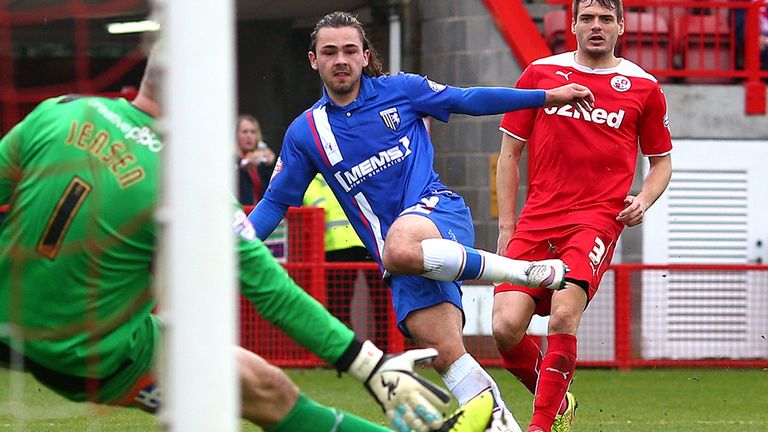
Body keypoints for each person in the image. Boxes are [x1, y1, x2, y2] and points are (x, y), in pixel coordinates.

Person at [0, 48, 495, 432]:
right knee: (270, 399)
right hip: (96, 354)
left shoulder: (58, 113)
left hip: (9, 316)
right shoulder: (187, 184)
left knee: (259, 377)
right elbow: (270, 291)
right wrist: (368, 365)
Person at [247, 11, 595, 432]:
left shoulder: (401, 90)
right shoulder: (306, 133)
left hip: (438, 214)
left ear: (364, 56)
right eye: (329, 51)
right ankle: (512, 425)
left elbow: (466, 99)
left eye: (349, 50)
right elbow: (274, 203)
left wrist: (546, 98)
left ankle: (526, 273)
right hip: (401, 263)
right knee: (448, 355)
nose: (340, 59)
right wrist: (238, 243)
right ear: (313, 60)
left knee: (399, 246)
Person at [491, 0, 673, 431]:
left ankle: (541, 425)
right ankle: (557, 399)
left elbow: (661, 162)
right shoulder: (539, 74)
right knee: (504, 326)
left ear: (621, 26)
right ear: (571, 24)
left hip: (594, 220)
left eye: (606, 19)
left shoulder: (643, 86)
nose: (596, 26)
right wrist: (506, 227)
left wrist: (643, 199)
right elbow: (508, 154)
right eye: (587, 18)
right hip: (537, 219)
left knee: (562, 316)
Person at [303, 173, 388, 348]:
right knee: (340, 302)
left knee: (379, 298)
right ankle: (344, 349)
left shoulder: (315, 182)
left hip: (363, 243)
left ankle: (381, 348)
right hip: (340, 246)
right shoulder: (313, 181)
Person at [236, 114, 275, 205]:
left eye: (253, 132)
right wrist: (243, 167)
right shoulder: (230, 160)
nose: (249, 136)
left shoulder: (260, 161)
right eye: (244, 132)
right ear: (236, 134)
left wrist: (271, 165)